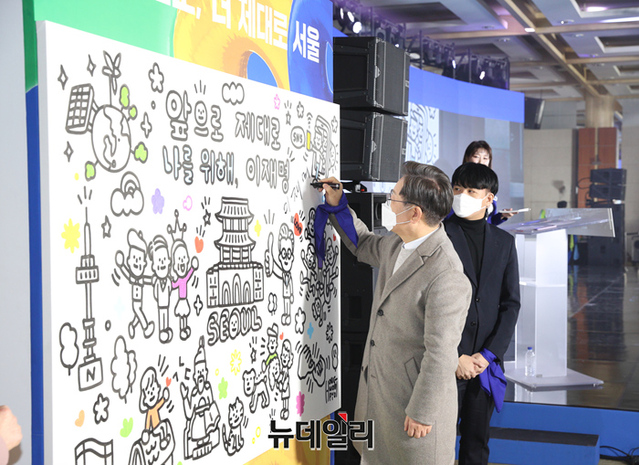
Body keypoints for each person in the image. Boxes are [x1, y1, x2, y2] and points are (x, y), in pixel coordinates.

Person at [316, 161, 472, 465]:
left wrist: (422, 412)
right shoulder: (399, 245)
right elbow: (362, 243)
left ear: (414, 213)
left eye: (393, 198)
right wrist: (338, 205)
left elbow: (441, 354)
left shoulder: (446, 273)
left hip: (413, 414)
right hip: (379, 404)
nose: (387, 203)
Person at [443, 163, 521, 465]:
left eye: (471, 191)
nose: (461, 195)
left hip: (483, 364)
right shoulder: (439, 235)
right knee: (437, 442)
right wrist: (456, 356)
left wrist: (487, 355)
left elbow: (510, 304)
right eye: (457, 189)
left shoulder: (504, 242)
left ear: (489, 198)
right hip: (447, 360)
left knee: (477, 443)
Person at [462, 140, 515, 225]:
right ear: (467, 158)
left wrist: (502, 216)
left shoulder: (490, 185)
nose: (481, 162)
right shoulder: (460, 185)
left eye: (485, 158)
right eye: (476, 156)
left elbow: (490, 221)